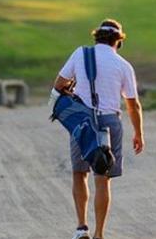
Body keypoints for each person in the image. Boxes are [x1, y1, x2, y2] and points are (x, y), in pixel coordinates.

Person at [52, 19, 145, 239]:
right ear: (118, 41)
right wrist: (139, 133)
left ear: (96, 37)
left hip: (83, 122)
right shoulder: (123, 65)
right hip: (110, 123)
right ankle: (99, 233)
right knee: (102, 177)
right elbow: (133, 105)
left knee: (79, 173)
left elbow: (58, 85)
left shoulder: (80, 54)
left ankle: (81, 227)